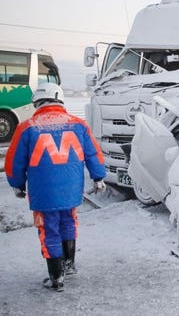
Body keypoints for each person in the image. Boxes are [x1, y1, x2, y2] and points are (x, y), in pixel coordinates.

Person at [4, 83, 106, 292]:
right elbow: (93, 153)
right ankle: (69, 265)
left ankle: (56, 277)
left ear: (38, 103)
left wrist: (17, 184)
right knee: (69, 221)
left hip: (44, 193)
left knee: (49, 229)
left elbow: (14, 161)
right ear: (59, 99)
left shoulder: (27, 127)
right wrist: (98, 177)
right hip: (71, 190)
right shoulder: (78, 125)